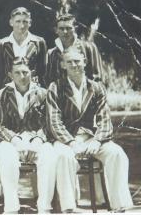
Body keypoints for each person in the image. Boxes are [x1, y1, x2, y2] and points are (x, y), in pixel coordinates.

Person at [46, 47, 133, 213]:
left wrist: (98, 140)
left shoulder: (96, 88)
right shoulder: (55, 87)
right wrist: (71, 143)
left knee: (117, 153)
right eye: (69, 62)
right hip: (66, 138)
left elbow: (104, 118)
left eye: (77, 61)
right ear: (63, 65)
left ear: (84, 63)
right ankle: (69, 207)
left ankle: (120, 205)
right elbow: (54, 121)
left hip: (91, 137)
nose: (74, 65)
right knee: (63, 157)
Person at [0, 57, 56, 214]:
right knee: (6, 155)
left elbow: (49, 123)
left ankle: (44, 207)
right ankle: (11, 207)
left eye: (25, 72)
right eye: (17, 73)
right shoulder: (2, 94)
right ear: (10, 75)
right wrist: (14, 140)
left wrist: (38, 139)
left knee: (48, 154)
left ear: (32, 73)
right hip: (12, 139)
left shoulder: (43, 93)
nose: (22, 76)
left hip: (36, 137)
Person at [45, 13, 103, 87]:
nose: (65, 32)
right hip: (60, 96)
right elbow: (49, 80)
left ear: (75, 28)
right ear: (56, 30)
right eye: (61, 29)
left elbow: (97, 78)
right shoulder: (52, 53)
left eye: (68, 28)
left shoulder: (89, 48)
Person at [0, 7, 47, 88]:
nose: (22, 26)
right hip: (9, 91)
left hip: (33, 90)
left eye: (25, 22)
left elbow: (43, 73)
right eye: (18, 21)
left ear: (30, 23)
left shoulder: (39, 42)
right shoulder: (2, 44)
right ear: (11, 22)